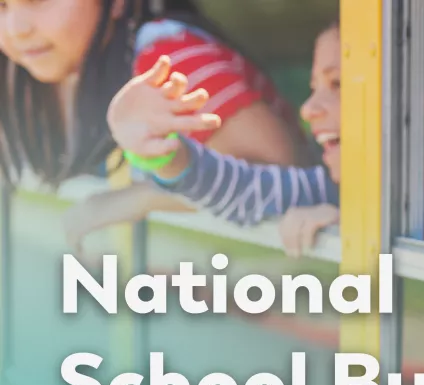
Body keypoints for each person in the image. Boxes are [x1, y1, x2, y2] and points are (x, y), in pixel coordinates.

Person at [106, 3, 424, 270]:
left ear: (419, 99)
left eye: (338, 85)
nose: (311, 109)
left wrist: (358, 244)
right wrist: (162, 149)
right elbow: (249, 193)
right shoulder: (375, 180)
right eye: (314, 87)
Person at [0, 0, 304, 253]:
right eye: (2, 6)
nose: (16, 29)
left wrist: (144, 197)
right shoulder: (38, 76)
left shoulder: (171, 63)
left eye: (37, 0)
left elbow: (292, 179)